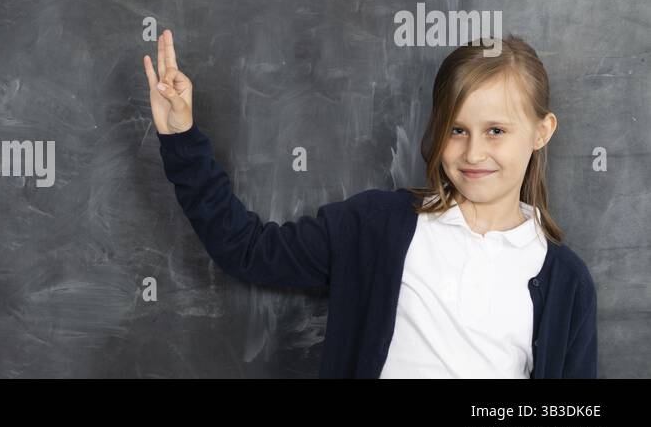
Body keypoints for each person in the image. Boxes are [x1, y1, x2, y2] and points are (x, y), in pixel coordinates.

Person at [143, 29, 597, 378]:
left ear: (542, 131)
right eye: (457, 130)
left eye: (495, 130)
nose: (474, 153)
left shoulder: (565, 281)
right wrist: (182, 139)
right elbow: (248, 250)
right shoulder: (377, 226)